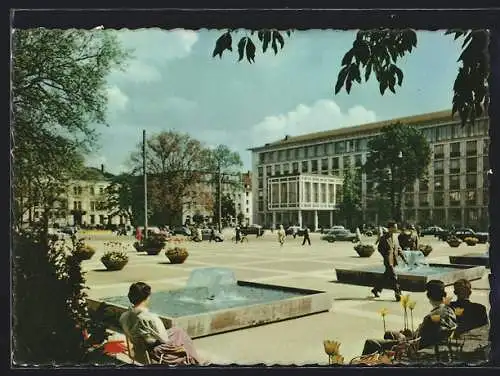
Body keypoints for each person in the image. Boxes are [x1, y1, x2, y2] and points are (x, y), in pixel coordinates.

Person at [362, 280, 457, 355]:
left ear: (429, 296)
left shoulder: (431, 317)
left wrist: (404, 337)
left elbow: (419, 340)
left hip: (413, 348)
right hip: (431, 344)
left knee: (371, 343)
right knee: (389, 334)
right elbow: (429, 335)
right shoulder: (450, 311)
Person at [119, 282, 201, 365]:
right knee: (182, 338)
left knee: (177, 331)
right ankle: (195, 362)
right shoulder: (151, 318)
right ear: (147, 297)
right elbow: (164, 339)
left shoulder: (124, 317)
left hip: (139, 351)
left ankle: (194, 359)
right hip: (156, 353)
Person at [371, 221, 408, 301]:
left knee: (386, 276)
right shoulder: (384, 238)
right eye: (395, 227)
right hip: (388, 261)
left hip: (394, 260)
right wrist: (386, 256)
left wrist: (404, 258)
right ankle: (398, 293)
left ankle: (376, 289)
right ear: (390, 228)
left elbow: (398, 248)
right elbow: (380, 249)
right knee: (394, 276)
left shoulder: (395, 237)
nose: (396, 228)